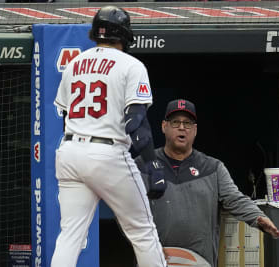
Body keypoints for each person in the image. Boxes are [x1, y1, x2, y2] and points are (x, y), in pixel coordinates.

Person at [51, 6, 167, 267]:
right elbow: (136, 122)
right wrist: (153, 165)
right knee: (142, 232)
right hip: (107, 152)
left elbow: (63, 115)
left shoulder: (74, 63)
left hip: (69, 151)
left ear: (96, 33)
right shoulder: (131, 64)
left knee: (70, 236)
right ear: (124, 35)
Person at [135, 99, 279, 267]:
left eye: (188, 123)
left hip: (200, 260)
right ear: (164, 126)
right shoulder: (143, 165)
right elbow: (127, 208)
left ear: (195, 130)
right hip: (154, 259)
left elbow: (235, 199)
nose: (182, 127)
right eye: (176, 122)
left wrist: (258, 216)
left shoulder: (213, 168)